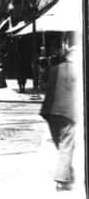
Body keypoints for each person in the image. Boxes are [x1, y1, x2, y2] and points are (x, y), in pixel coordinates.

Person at [40, 37, 79, 192]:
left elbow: (44, 85)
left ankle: (68, 173)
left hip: (49, 112)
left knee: (60, 143)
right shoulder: (78, 69)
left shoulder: (55, 68)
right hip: (67, 112)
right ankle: (62, 180)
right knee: (66, 145)